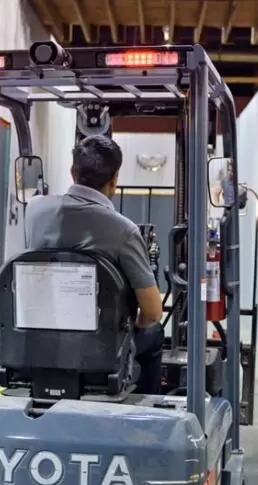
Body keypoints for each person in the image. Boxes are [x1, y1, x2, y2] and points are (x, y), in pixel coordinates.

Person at [25, 135, 165, 394]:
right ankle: (148, 419)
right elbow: (153, 312)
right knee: (155, 334)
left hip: (39, 341)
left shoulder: (34, 211)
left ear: (72, 172)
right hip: (100, 351)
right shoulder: (124, 231)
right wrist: (132, 324)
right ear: (115, 180)